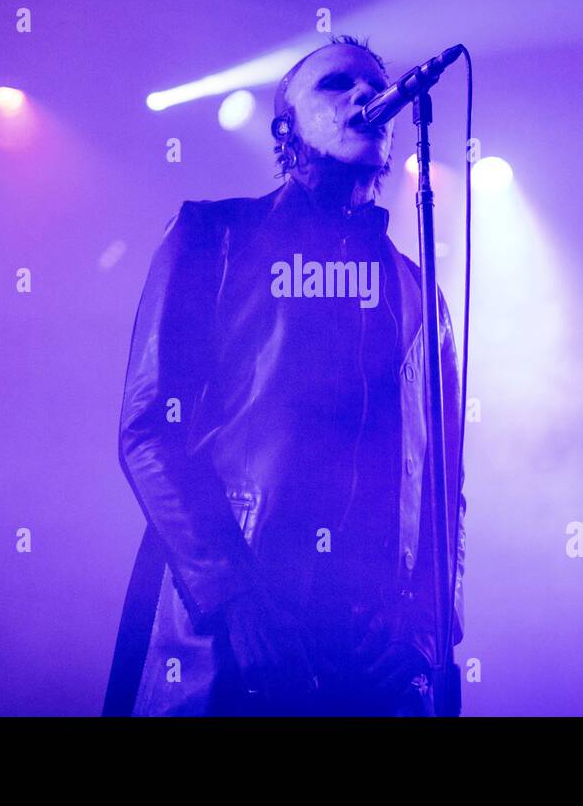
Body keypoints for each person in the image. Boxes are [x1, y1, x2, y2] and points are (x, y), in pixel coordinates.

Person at [103, 35, 466, 716]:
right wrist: (233, 597)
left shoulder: (421, 293)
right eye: (337, 85)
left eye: (373, 84)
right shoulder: (214, 239)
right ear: (286, 127)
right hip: (236, 633)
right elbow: (150, 429)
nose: (365, 95)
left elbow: (446, 483)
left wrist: (423, 632)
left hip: (369, 661)